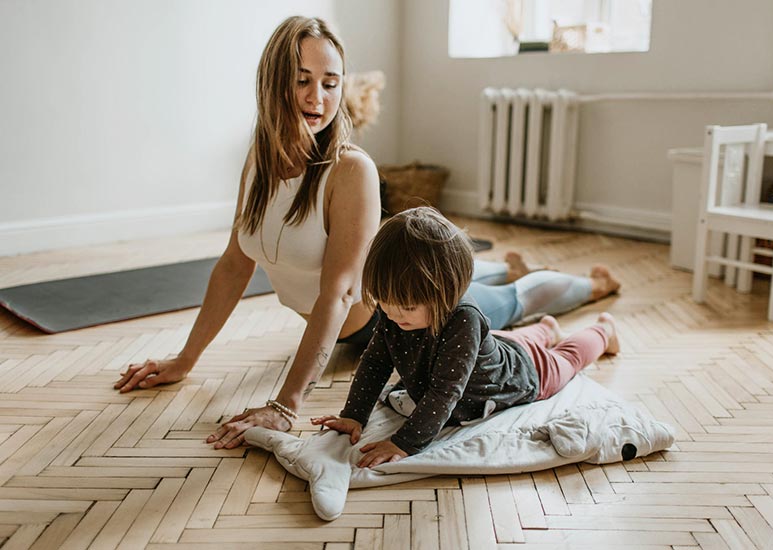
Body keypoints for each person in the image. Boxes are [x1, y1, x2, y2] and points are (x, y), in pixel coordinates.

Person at [113, 16, 619, 449]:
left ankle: (591, 289)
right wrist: (185, 358)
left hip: (411, 317)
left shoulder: (349, 170)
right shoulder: (258, 162)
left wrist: (286, 405)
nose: (318, 97)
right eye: (302, 79)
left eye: (330, 82)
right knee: (497, 295)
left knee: (510, 301)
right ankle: (514, 287)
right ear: (272, 81)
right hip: (383, 313)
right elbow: (232, 266)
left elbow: (337, 293)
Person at [311, 207, 619, 467]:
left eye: (406, 307)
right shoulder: (395, 312)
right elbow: (376, 362)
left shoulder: (464, 319)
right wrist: (354, 415)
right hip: (496, 346)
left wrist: (404, 443)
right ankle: (547, 328)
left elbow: (445, 393)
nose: (392, 315)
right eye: (385, 304)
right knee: (513, 341)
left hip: (524, 372)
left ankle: (603, 331)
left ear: (445, 293)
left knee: (567, 358)